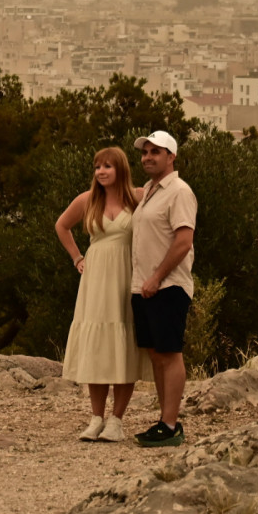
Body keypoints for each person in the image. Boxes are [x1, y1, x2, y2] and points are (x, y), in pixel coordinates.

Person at [55, 146, 152, 443]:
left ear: (120, 169)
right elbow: (62, 225)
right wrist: (77, 257)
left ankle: (117, 420)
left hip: (126, 276)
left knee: (124, 347)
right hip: (95, 279)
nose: (101, 172)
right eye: (98, 167)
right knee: (97, 347)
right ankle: (96, 418)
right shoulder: (87, 200)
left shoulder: (137, 197)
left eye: (108, 166)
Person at [130, 130, 197, 448]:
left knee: (169, 354)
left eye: (156, 152)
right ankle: (163, 421)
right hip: (144, 286)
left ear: (171, 157)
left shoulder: (179, 192)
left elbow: (184, 241)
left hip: (168, 286)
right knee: (157, 354)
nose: (148, 156)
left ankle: (171, 424)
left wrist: (157, 277)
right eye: (145, 152)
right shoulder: (148, 192)